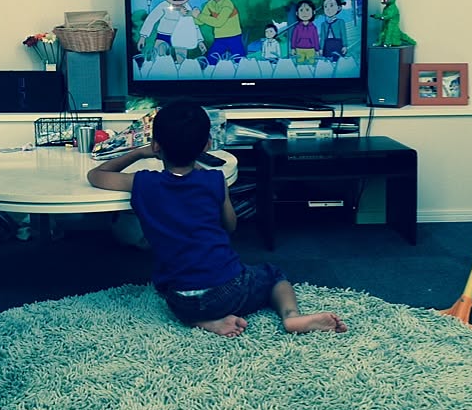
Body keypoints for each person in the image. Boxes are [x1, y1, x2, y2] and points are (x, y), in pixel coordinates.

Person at [87, 101, 347, 338]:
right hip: (228, 291)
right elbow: (230, 226)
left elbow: (96, 175)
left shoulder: (142, 183)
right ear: (207, 145)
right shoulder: (214, 180)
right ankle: (291, 317)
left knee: (168, 284)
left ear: (156, 146)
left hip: (180, 299)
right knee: (272, 274)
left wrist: (139, 153)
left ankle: (204, 321)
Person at [137, 0, 206, 63]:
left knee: (181, 61)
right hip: (163, 36)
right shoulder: (163, 6)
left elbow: (193, 25)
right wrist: (143, 36)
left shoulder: (188, 8)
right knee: (159, 59)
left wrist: (200, 41)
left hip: (182, 37)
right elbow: (151, 20)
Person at [190, 0, 246, 65]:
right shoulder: (210, 4)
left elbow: (218, 22)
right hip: (219, 39)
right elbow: (200, 22)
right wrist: (190, 15)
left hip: (234, 38)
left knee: (241, 62)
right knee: (211, 61)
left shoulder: (227, 4)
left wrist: (199, 15)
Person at [290, 0, 320, 65]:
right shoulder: (297, 27)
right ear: (297, 13)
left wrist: (317, 50)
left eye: (307, 10)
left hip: (311, 49)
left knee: (311, 64)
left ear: (313, 12)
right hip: (299, 49)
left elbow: (316, 39)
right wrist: (293, 48)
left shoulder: (313, 27)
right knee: (300, 64)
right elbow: (294, 38)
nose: (304, 13)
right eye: (301, 10)